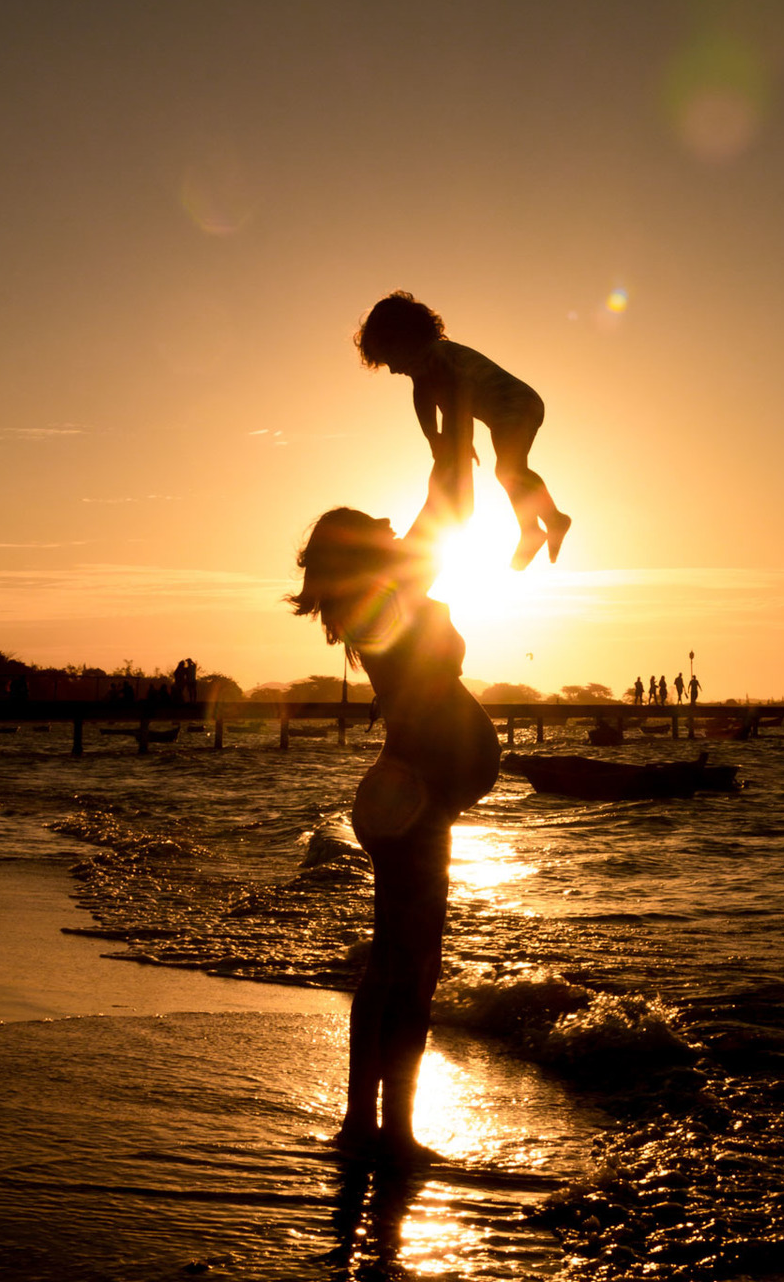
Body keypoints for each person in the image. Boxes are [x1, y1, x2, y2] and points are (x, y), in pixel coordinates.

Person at [289, 498, 500, 1169]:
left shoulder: (377, 599)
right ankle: (394, 1134)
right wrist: (452, 412)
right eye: (381, 530)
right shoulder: (390, 595)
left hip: (408, 793)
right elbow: (447, 505)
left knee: (394, 964)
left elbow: (442, 512)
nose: (394, 529)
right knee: (413, 969)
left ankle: (364, 1124)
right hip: (411, 795)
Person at [355, 292, 571, 571]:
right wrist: (436, 438)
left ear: (405, 339)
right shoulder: (425, 369)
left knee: (509, 470)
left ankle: (546, 523)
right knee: (509, 471)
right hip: (508, 408)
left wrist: (458, 440)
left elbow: (460, 393)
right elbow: (424, 399)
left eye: (391, 358)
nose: (394, 369)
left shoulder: (438, 355)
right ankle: (542, 525)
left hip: (516, 402)